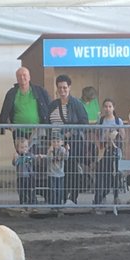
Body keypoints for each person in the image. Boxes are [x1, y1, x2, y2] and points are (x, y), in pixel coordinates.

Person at [46, 74, 91, 204]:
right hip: (55, 144)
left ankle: (72, 197)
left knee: (72, 170)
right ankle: (61, 197)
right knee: (58, 171)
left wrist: (70, 133)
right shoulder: (53, 105)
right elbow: (47, 122)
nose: (62, 90)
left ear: (69, 87)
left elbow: (84, 122)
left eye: (64, 87)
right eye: (60, 88)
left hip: (73, 143)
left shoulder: (76, 104)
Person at [0, 66, 51, 146]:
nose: (22, 77)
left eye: (24, 75)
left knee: (36, 155)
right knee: (21, 155)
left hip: (37, 130)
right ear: (16, 78)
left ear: (29, 77)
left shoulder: (40, 91)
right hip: (18, 131)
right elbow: (5, 110)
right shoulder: (11, 93)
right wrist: (5, 125)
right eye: (19, 76)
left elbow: (49, 106)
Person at [93, 98, 126, 205]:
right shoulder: (101, 120)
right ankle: (101, 195)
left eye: (110, 106)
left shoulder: (118, 121)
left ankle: (116, 196)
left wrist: (115, 136)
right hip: (103, 150)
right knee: (103, 173)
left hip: (115, 150)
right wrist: (99, 145)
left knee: (115, 173)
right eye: (106, 106)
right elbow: (96, 134)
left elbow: (123, 135)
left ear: (113, 108)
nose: (107, 109)